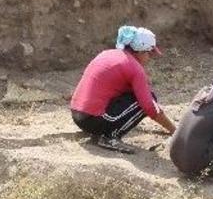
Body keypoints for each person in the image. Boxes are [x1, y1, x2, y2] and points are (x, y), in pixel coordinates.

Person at [70, 25, 177, 154]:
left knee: (134, 95)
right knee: (148, 99)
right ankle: (109, 137)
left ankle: (103, 130)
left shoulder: (108, 54)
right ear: (141, 51)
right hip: (92, 120)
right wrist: (174, 130)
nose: (149, 58)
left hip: (77, 115)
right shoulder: (134, 68)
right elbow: (149, 107)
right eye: (150, 53)